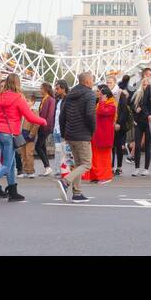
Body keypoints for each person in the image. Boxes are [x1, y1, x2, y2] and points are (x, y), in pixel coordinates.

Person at [0, 73, 47, 201]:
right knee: (6, 164)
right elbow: (30, 117)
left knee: (12, 163)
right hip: (10, 135)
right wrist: (43, 121)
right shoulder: (19, 98)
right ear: (17, 83)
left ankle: (13, 191)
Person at [57, 71, 96, 203]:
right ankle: (65, 181)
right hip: (82, 134)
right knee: (86, 164)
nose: (93, 82)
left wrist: (64, 133)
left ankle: (77, 193)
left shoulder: (69, 95)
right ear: (87, 81)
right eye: (92, 80)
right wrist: (92, 130)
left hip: (70, 134)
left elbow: (62, 116)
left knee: (78, 164)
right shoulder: (90, 94)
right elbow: (90, 115)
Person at [86, 85, 116, 183]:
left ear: (105, 95)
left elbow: (101, 112)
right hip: (97, 134)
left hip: (104, 135)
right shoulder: (100, 103)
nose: (97, 93)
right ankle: (95, 176)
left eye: (99, 92)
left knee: (103, 157)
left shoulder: (111, 105)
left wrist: (102, 101)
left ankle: (105, 176)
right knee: (95, 157)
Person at [131, 68, 151, 176]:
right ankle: (136, 168)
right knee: (138, 145)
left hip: (148, 123)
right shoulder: (138, 94)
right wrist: (136, 110)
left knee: (148, 146)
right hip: (139, 123)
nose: (145, 86)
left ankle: (146, 168)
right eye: (143, 84)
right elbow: (132, 107)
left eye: (147, 84)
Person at [35, 83, 55, 175]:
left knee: (38, 146)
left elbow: (50, 115)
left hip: (45, 126)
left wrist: (46, 126)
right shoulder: (45, 99)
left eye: (41, 88)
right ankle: (47, 167)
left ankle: (47, 166)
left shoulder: (50, 100)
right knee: (42, 146)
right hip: (41, 125)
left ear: (45, 89)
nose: (40, 90)